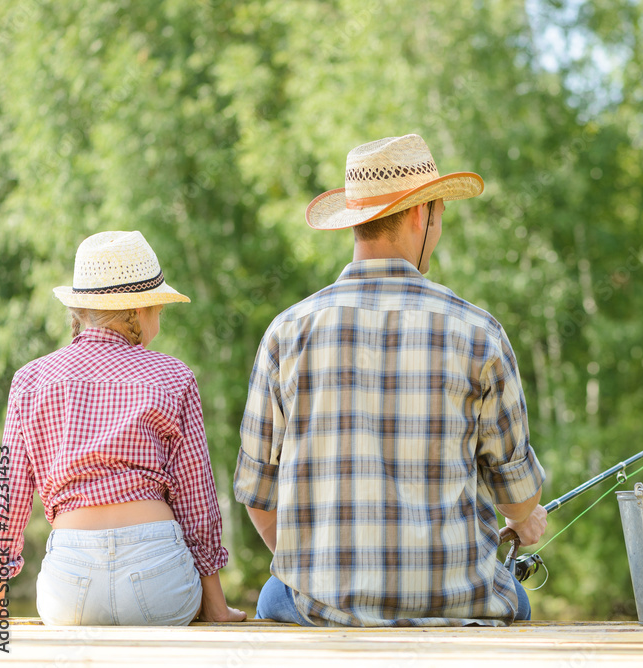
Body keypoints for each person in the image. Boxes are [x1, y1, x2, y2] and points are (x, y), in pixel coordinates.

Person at [235, 134, 548, 627]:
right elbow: (518, 496)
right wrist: (523, 516)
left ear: (355, 221)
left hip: (322, 606)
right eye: (440, 216)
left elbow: (257, 492)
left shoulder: (286, 332)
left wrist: (319, 572)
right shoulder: (479, 332)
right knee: (520, 601)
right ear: (422, 215)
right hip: (459, 604)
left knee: (276, 592)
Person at [0, 231, 246, 626]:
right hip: (159, 575)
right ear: (139, 311)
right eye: (159, 309)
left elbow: (7, 496)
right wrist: (216, 606)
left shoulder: (30, 379)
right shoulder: (174, 376)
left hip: (69, 585)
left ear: (80, 311)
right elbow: (198, 501)